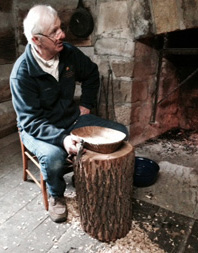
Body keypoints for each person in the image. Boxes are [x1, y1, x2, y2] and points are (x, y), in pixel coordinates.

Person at [10, 5, 128, 223]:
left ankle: (81, 175)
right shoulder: (22, 74)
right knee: (54, 158)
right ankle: (57, 195)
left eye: (60, 27)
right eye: (54, 32)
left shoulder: (68, 53)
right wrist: (62, 139)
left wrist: (87, 105)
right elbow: (31, 121)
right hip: (38, 129)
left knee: (121, 132)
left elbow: (92, 73)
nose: (62, 34)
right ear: (36, 40)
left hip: (71, 118)